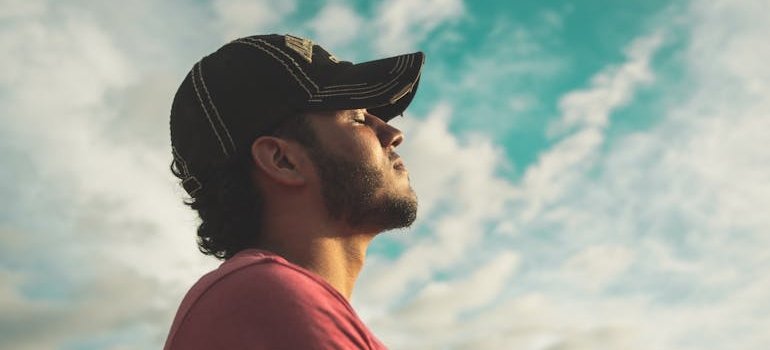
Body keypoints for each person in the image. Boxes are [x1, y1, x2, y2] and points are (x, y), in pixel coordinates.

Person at [163, 34, 424, 349]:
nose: (393, 133)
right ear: (282, 160)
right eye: (357, 119)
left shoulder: (267, 302)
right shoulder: (262, 297)